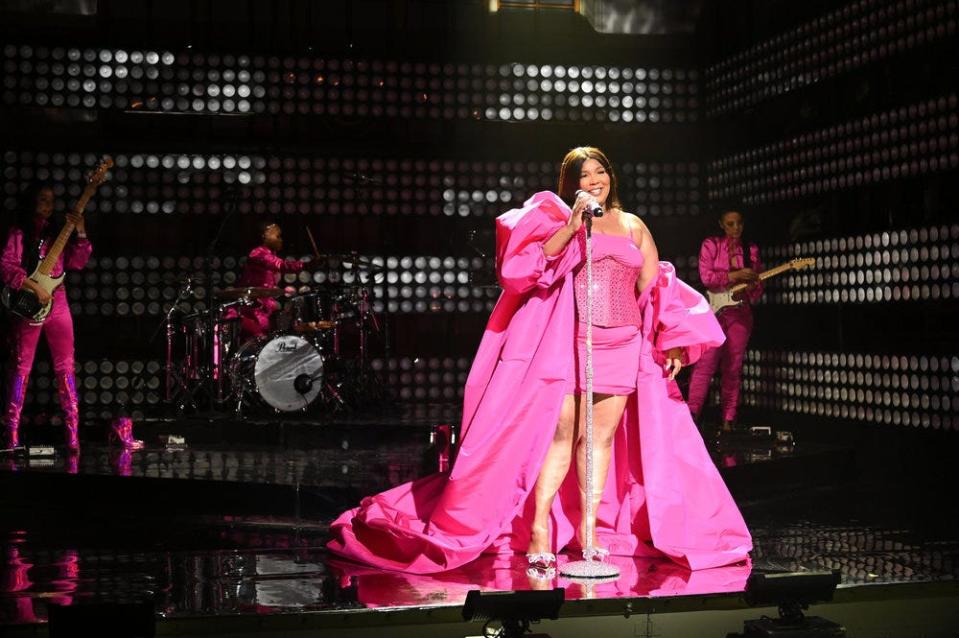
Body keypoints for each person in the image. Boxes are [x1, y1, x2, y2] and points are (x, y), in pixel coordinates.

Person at [328, 147, 752, 574]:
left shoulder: (632, 224)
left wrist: (673, 340)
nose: (594, 180)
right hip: (569, 345)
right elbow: (521, 271)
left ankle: (590, 531)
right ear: (572, 184)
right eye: (584, 175)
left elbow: (654, 282)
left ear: (611, 177)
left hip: (622, 344)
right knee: (561, 438)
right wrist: (571, 226)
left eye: (599, 172)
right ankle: (539, 531)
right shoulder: (555, 220)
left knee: (599, 441)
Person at [1, 183, 91, 451]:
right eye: (42, 199)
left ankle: (73, 436)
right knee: (21, 367)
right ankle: (12, 435)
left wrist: (81, 230)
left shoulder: (58, 233)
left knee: (65, 366)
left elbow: (77, 262)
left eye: (51, 200)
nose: (48, 205)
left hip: (58, 300)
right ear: (31, 202)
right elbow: (6, 266)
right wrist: (34, 288)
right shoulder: (20, 233)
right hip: (31, 301)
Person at [686, 209, 763, 434]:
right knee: (704, 366)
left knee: (733, 368)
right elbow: (706, 278)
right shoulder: (711, 245)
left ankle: (729, 420)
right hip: (712, 314)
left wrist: (750, 288)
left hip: (740, 315)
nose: (735, 228)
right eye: (730, 224)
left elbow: (757, 290)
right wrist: (735, 276)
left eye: (739, 223)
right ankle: (691, 417)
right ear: (721, 224)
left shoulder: (751, 250)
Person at [232, 221, 307, 340]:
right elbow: (281, 265)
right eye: (277, 236)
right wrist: (307, 265)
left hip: (261, 311)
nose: (281, 240)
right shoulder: (257, 253)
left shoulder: (270, 255)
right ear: (265, 235)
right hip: (250, 313)